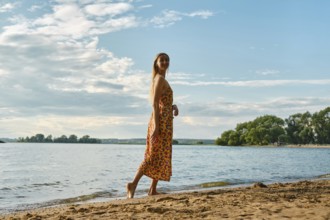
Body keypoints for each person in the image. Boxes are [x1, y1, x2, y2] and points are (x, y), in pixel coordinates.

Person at [126, 52, 179, 198]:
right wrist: (156, 126)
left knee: (161, 156)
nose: (165, 62)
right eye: (162, 60)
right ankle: (133, 184)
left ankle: (152, 190)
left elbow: (163, 102)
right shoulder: (159, 79)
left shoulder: (161, 79)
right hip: (160, 122)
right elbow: (155, 104)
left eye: (167, 60)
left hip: (166, 122)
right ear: (156, 63)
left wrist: (173, 106)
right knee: (152, 156)